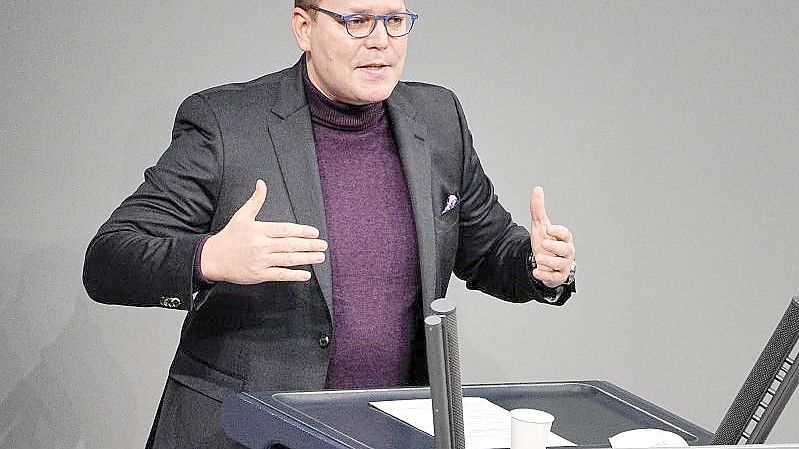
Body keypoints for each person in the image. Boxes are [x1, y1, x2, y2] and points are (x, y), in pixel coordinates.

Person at [83, 1, 577, 447]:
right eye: (357, 22)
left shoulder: (438, 116)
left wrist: (536, 263)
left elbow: (488, 248)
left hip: (386, 434)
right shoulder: (226, 123)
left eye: (395, 21)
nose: (381, 40)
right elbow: (109, 259)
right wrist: (209, 258)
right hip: (245, 433)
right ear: (304, 28)